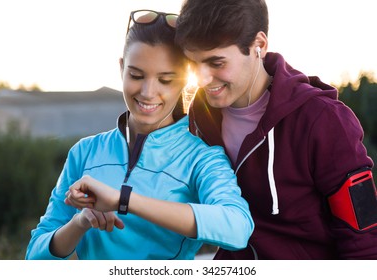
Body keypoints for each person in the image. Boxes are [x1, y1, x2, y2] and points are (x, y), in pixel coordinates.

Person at [25, 9, 254, 260]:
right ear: (121, 68)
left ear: (184, 81)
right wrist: (80, 223)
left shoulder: (202, 157)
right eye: (136, 75)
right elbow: (35, 257)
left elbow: (237, 228)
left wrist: (123, 200)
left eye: (166, 80)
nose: (147, 92)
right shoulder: (84, 152)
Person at [175, 0, 377, 259]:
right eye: (193, 62)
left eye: (216, 63)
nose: (201, 78)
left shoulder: (323, 120)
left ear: (258, 45)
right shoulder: (199, 114)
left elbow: (364, 237)